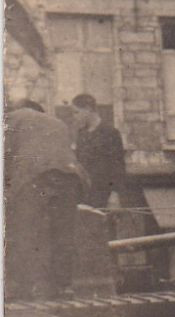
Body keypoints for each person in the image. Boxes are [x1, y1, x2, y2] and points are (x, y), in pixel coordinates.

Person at [4, 99, 85, 298]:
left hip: (35, 178)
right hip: (70, 178)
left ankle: (22, 289)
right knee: (63, 233)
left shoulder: (10, 119)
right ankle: (64, 287)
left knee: (24, 231)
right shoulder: (56, 122)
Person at [70, 93, 126, 209]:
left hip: (104, 194)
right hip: (85, 195)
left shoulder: (110, 133)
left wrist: (114, 195)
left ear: (88, 109)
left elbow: (118, 167)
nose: (75, 116)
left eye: (77, 112)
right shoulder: (82, 134)